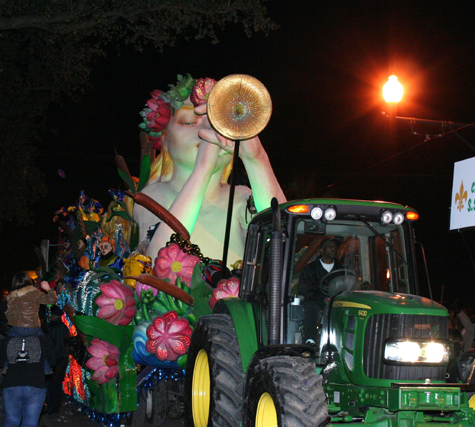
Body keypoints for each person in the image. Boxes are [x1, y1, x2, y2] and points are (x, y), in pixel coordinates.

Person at [134, 75, 286, 263]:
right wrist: (203, 169)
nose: (209, 131)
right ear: (164, 138)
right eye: (189, 122)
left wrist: (256, 159)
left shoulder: (241, 197)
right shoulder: (153, 195)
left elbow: (283, 240)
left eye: (217, 123)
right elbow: (159, 260)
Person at [0, 329, 55, 427]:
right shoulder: (42, 339)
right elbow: (53, 361)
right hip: (35, 384)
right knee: (29, 425)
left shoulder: (8, 338)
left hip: (12, 384)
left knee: (11, 422)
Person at [297, 238, 341, 344]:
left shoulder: (340, 268)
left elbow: (346, 285)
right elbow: (305, 289)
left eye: (335, 247)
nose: (333, 249)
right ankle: (310, 339)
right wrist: (322, 298)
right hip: (317, 301)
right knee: (311, 306)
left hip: (337, 301)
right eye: (330, 246)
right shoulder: (310, 269)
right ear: (321, 250)